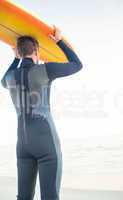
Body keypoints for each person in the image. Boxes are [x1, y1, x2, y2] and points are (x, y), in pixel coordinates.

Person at [1, 25, 83, 200]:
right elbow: (77, 64)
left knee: (23, 197)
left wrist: (16, 60)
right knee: (50, 196)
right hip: (46, 142)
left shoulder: (10, 78)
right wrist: (59, 41)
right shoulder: (45, 70)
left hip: (23, 144)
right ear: (37, 51)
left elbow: (2, 82)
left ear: (20, 53)